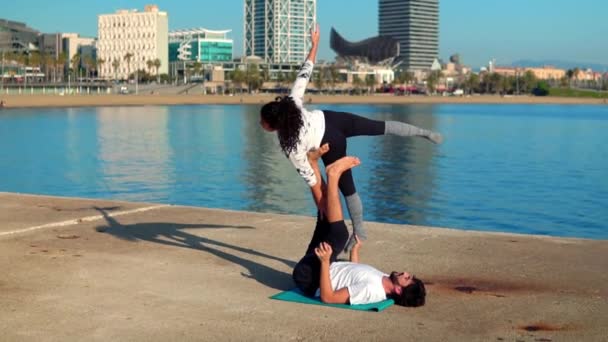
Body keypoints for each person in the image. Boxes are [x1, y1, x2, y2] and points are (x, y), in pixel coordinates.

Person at [260, 24, 442, 251]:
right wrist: (314, 43)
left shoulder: (292, 148)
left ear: (273, 126)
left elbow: (316, 184)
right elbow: (306, 70)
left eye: (263, 123)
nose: (261, 125)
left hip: (330, 144)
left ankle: (359, 231)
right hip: (335, 119)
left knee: (348, 189)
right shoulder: (292, 102)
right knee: (381, 127)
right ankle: (425, 133)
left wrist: (324, 213)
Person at [291, 145, 426, 307]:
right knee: (325, 214)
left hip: (310, 277)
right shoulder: (384, 279)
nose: (405, 273)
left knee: (340, 233)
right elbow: (354, 274)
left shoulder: (372, 291)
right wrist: (355, 251)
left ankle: (333, 175)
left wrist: (326, 261)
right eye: (408, 275)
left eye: (407, 279)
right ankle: (312, 163)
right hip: (320, 265)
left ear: (398, 290)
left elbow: (329, 298)